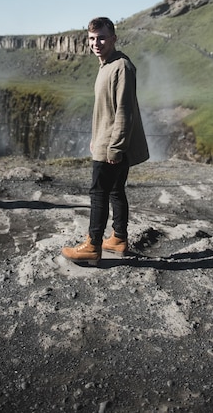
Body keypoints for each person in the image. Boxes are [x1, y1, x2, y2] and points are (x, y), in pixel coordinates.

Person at [62, 17, 149, 265]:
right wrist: (94, 138)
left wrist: (115, 147)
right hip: (105, 140)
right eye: (91, 38)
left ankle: (92, 245)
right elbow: (103, 110)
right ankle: (119, 238)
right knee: (115, 191)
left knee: (98, 193)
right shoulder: (106, 65)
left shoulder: (121, 66)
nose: (96, 43)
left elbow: (124, 111)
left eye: (101, 37)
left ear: (113, 38)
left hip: (112, 145)